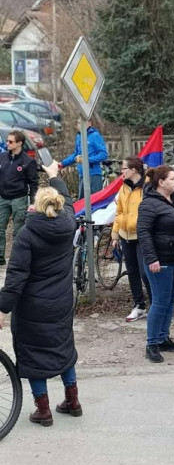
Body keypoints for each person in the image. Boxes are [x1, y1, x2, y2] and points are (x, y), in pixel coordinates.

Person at [0, 161, 81, 427]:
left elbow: (16, 277)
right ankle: (73, 401)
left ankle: (43, 410)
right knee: (63, 347)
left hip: (33, 307)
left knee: (33, 354)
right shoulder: (69, 223)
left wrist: (2, 308)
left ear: (35, 206)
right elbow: (68, 200)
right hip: (62, 302)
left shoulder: (26, 234)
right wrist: (55, 176)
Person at [137, 165, 174, 363]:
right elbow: (144, 233)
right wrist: (152, 259)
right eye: (172, 179)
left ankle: (163, 338)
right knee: (160, 301)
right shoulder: (149, 204)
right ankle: (151, 343)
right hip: (160, 261)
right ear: (161, 182)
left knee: (171, 300)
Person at [111, 155, 152, 322]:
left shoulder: (147, 186)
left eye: (124, 168)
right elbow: (119, 212)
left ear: (133, 170)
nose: (121, 171)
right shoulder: (123, 187)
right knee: (132, 271)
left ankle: (155, 304)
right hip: (125, 235)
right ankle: (139, 305)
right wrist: (115, 234)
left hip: (142, 235)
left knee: (145, 272)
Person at [0, 129, 38, 265]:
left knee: (18, 231)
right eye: (7, 141)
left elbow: (33, 184)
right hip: (3, 198)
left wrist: (33, 202)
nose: (7, 143)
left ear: (19, 143)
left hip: (19, 199)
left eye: (10, 141)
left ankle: (16, 260)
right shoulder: (2, 157)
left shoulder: (28, 161)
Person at [59, 119, 108, 198]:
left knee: (94, 201)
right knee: (82, 202)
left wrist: (87, 160)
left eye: (82, 122)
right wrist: (63, 163)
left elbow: (103, 154)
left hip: (93, 175)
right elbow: (76, 155)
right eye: (78, 123)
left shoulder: (94, 135)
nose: (80, 125)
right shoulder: (79, 136)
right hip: (82, 175)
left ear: (89, 123)